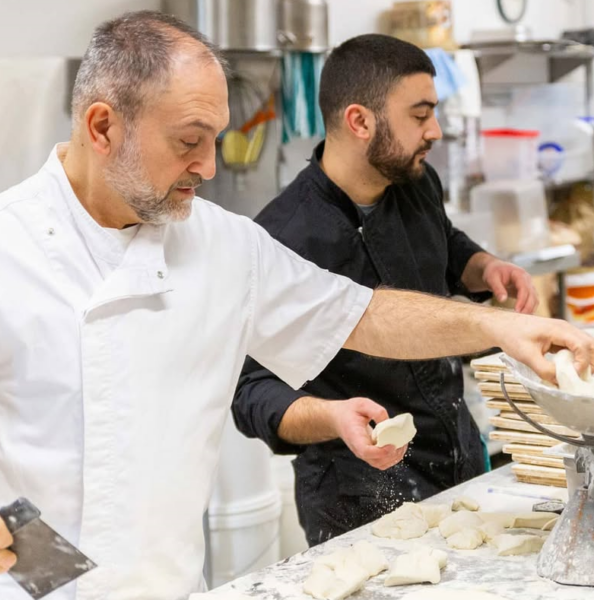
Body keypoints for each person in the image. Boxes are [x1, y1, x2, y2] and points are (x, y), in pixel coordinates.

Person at [0, 11, 594, 600]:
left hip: (169, 587)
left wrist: (500, 325)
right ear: (102, 127)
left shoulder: (221, 246)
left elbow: (363, 315)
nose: (210, 167)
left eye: (215, 138)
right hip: (25, 590)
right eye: (189, 141)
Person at [232, 34, 541, 546]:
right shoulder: (280, 239)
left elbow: (444, 243)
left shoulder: (415, 182)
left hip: (457, 458)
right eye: (420, 115)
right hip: (358, 496)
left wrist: (482, 267)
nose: (435, 131)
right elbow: (251, 393)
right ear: (360, 121)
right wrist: (332, 415)